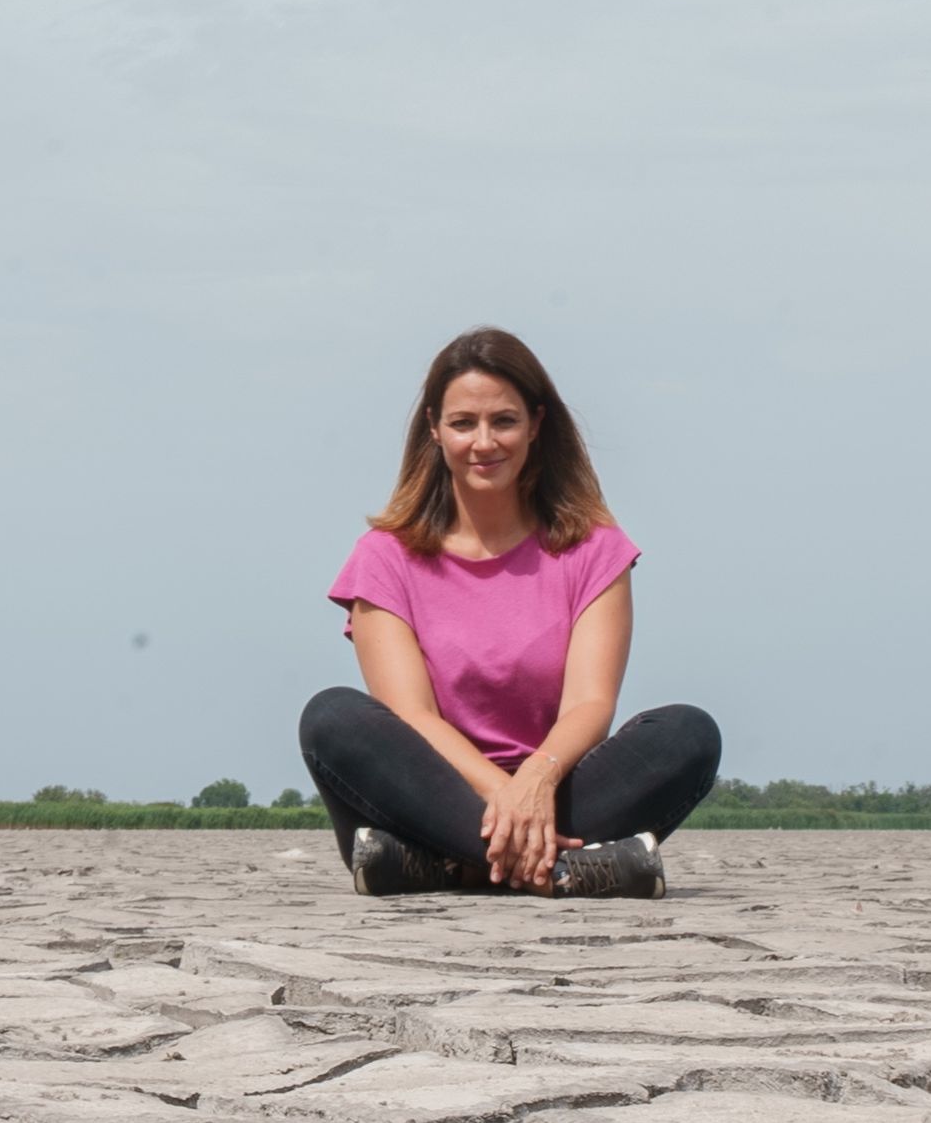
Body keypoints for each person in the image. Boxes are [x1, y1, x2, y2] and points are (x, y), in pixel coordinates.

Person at [299, 327, 721, 897]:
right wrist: (506, 795)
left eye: (503, 420)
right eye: (463, 423)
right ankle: (557, 873)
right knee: (331, 718)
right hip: (426, 793)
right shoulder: (383, 558)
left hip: (561, 789)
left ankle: (452, 868)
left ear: (536, 425)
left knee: (688, 734)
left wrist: (537, 780)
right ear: (434, 428)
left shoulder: (593, 549)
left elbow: (591, 703)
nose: (483, 442)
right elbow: (414, 716)